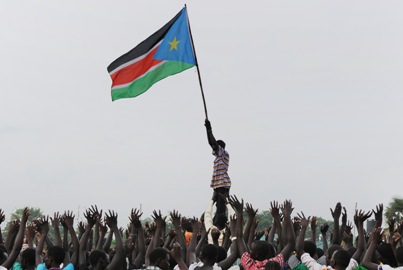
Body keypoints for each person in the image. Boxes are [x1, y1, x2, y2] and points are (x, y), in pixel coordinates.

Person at [204, 119, 231, 225]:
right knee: (217, 206)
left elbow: (212, 142)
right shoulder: (217, 158)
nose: (212, 150)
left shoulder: (223, 153)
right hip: (217, 185)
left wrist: (209, 129)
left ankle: (220, 226)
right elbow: (211, 143)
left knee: (221, 208)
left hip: (223, 185)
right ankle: (216, 223)